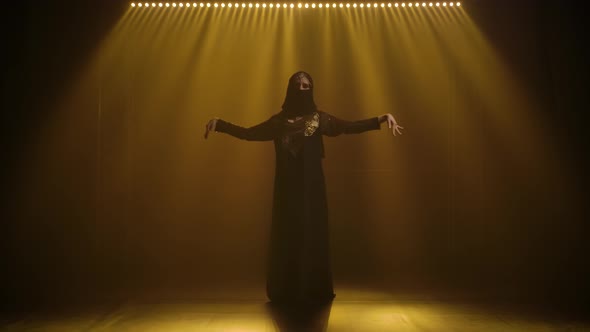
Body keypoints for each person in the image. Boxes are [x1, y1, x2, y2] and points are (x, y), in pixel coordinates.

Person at [204, 71, 403, 304]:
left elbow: (348, 126)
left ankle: (312, 287)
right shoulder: (278, 123)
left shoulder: (318, 120)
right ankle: (285, 288)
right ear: (290, 89)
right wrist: (220, 124)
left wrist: (380, 118)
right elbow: (250, 134)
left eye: (306, 85)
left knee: (311, 234)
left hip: (312, 190)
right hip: (286, 191)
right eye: (298, 85)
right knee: (288, 235)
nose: (302, 89)